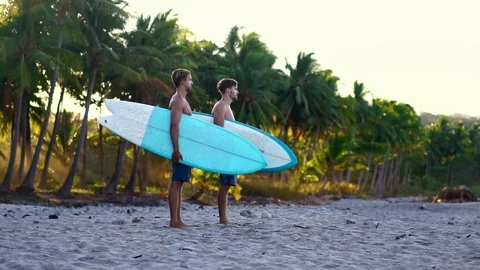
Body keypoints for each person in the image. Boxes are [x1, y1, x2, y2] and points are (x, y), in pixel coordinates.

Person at [212, 78, 239, 224]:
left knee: (227, 185)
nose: (237, 92)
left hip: (230, 151)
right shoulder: (221, 106)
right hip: (225, 151)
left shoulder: (227, 107)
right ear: (228, 90)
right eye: (235, 89)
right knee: (225, 184)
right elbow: (219, 132)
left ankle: (224, 218)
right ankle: (223, 218)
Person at [168, 68, 193, 228]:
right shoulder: (178, 100)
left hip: (185, 147)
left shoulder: (183, 100)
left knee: (180, 183)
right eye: (190, 79)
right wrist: (176, 149)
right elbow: (174, 125)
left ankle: (178, 219)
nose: (192, 82)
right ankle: (173, 220)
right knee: (176, 182)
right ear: (183, 82)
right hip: (180, 148)